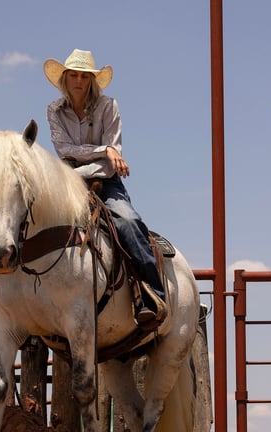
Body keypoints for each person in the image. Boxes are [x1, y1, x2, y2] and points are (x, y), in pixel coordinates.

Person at [43, 48, 166, 327]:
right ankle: (25, 304)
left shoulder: (109, 106)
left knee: (130, 222)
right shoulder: (53, 110)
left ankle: (151, 294)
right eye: (73, 75)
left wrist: (101, 155)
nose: (78, 81)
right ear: (64, 78)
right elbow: (64, 150)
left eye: (84, 76)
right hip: (69, 182)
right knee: (35, 221)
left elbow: (107, 158)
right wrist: (104, 149)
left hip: (105, 182)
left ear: (91, 80)